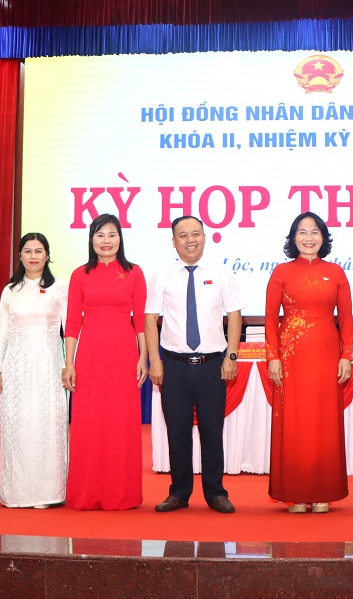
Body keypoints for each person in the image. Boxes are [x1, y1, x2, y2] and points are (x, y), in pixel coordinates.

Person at [145, 216, 241, 514]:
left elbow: (234, 315)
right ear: (173, 242)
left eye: (196, 234)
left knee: (212, 430)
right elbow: (150, 319)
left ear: (205, 237)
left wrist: (231, 356)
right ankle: (179, 492)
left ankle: (216, 493)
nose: (190, 240)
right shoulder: (162, 275)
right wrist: (155, 361)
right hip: (174, 366)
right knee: (178, 432)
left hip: (212, 365)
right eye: (183, 235)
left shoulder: (222, 272)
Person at [264, 212, 353, 513]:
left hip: (327, 355)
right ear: (293, 238)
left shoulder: (336, 272)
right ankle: (295, 493)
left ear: (323, 237)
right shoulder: (281, 272)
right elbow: (270, 318)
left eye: (314, 232)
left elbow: (346, 319)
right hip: (291, 356)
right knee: (294, 421)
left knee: (324, 421)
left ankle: (322, 492)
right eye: (302, 232)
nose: (308, 238)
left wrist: (346, 356)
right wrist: (273, 357)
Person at [63, 214, 148, 510]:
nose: (106, 241)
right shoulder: (79, 275)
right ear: (91, 239)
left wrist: (143, 356)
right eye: (100, 235)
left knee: (120, 422)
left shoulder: (134, 272)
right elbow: (72, 322)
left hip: (124, 355)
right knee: (89, 421)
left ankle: (121, 492)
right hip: (90, 355)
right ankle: (88, 492)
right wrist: (69, 362)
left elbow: (141, 320)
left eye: (112, 234)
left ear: (120, 238)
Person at [0, 233, 69, 508]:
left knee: (47, 424)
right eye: (28, 251)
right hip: (16, 365)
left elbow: (70, 329)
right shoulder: (10, 290)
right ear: (20, 256)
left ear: (47, 255)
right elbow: (2, 331)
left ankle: (49, 492)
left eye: (39, 251)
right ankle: (17, 493)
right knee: (19, 425)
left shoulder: (60, 287)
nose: (33, 256)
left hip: (49, 365)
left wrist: (70, 364)